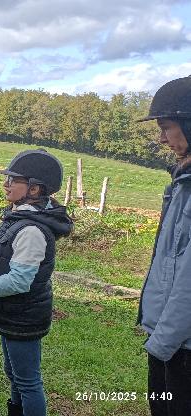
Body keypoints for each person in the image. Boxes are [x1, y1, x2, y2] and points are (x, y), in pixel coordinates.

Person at [0, 149, 74, 416]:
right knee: (14, 374)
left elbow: (20, 280)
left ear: (35, 189)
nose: (6, 184)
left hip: (23, 315)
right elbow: (2, 259)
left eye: (14, 180)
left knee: (28, 381)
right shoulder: (18, 219)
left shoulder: (32, 230)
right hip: (12, 313)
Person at [136, 75, 191, 416]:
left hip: (181, 348)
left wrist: (163, 344)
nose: (161, 138)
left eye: (167, 127)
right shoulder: (182, 182)